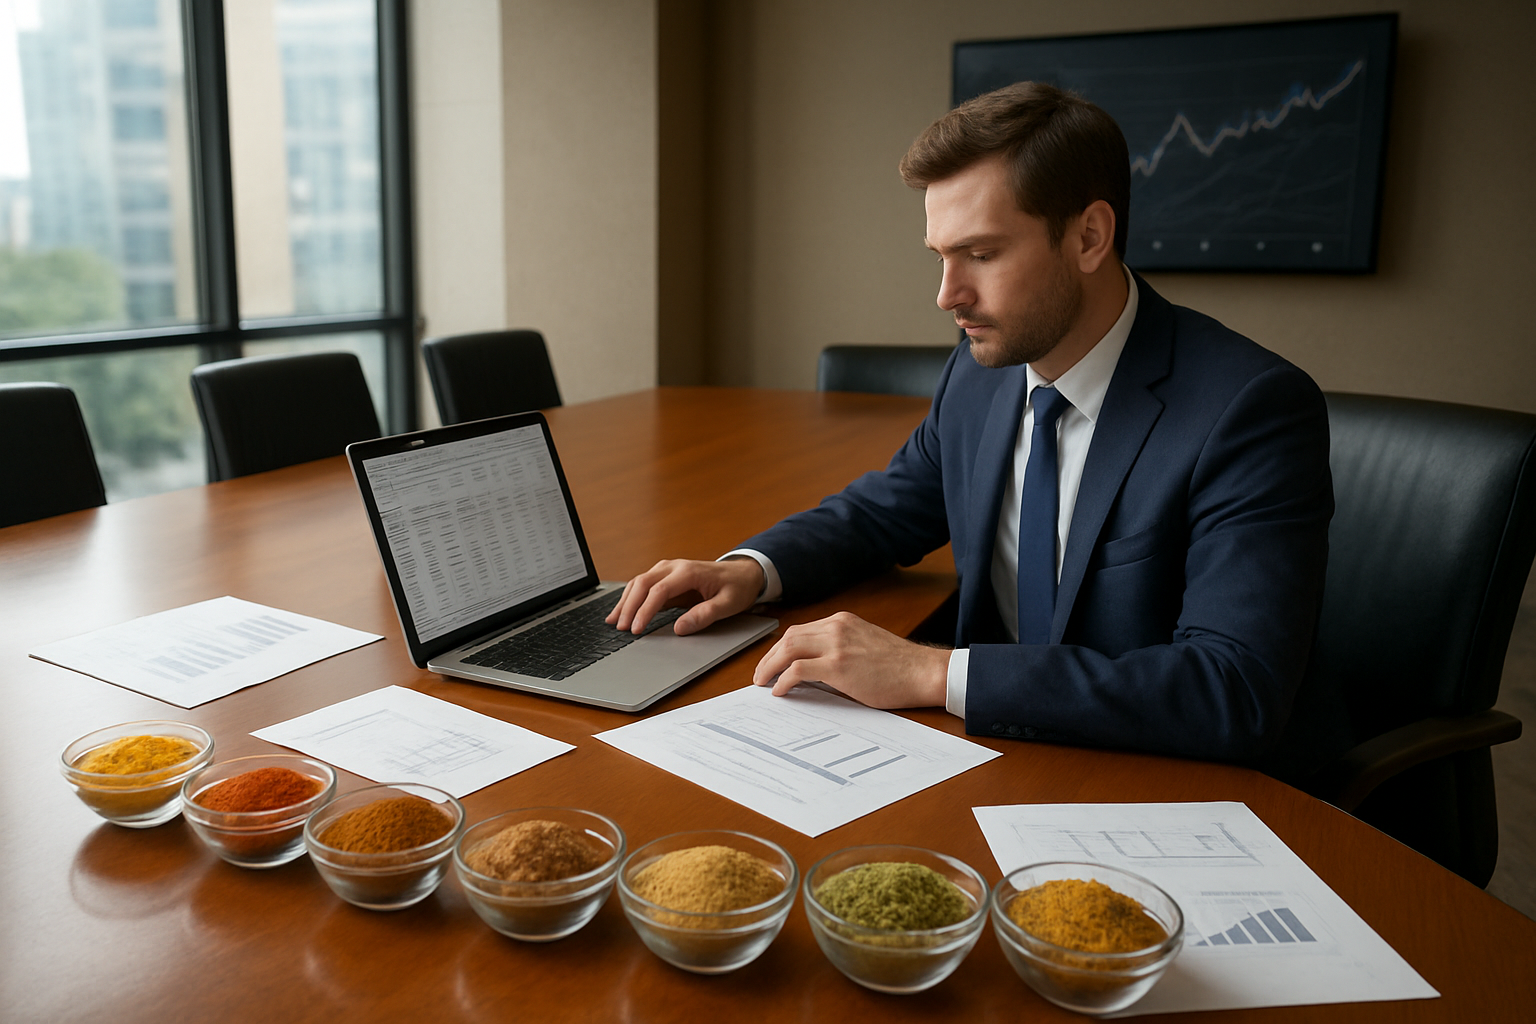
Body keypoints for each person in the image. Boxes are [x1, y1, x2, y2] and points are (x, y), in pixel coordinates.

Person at [608, 82, 1333, 762]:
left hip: (1141, 774)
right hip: (987, 756)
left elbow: (1234, 689)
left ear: (1088, 238)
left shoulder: (1250, 410)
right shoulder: (981, 374)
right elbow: (883, 512)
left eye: (981, 254)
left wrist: (932, 673)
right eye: (941, 257)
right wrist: (749, 570)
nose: (947, 295)